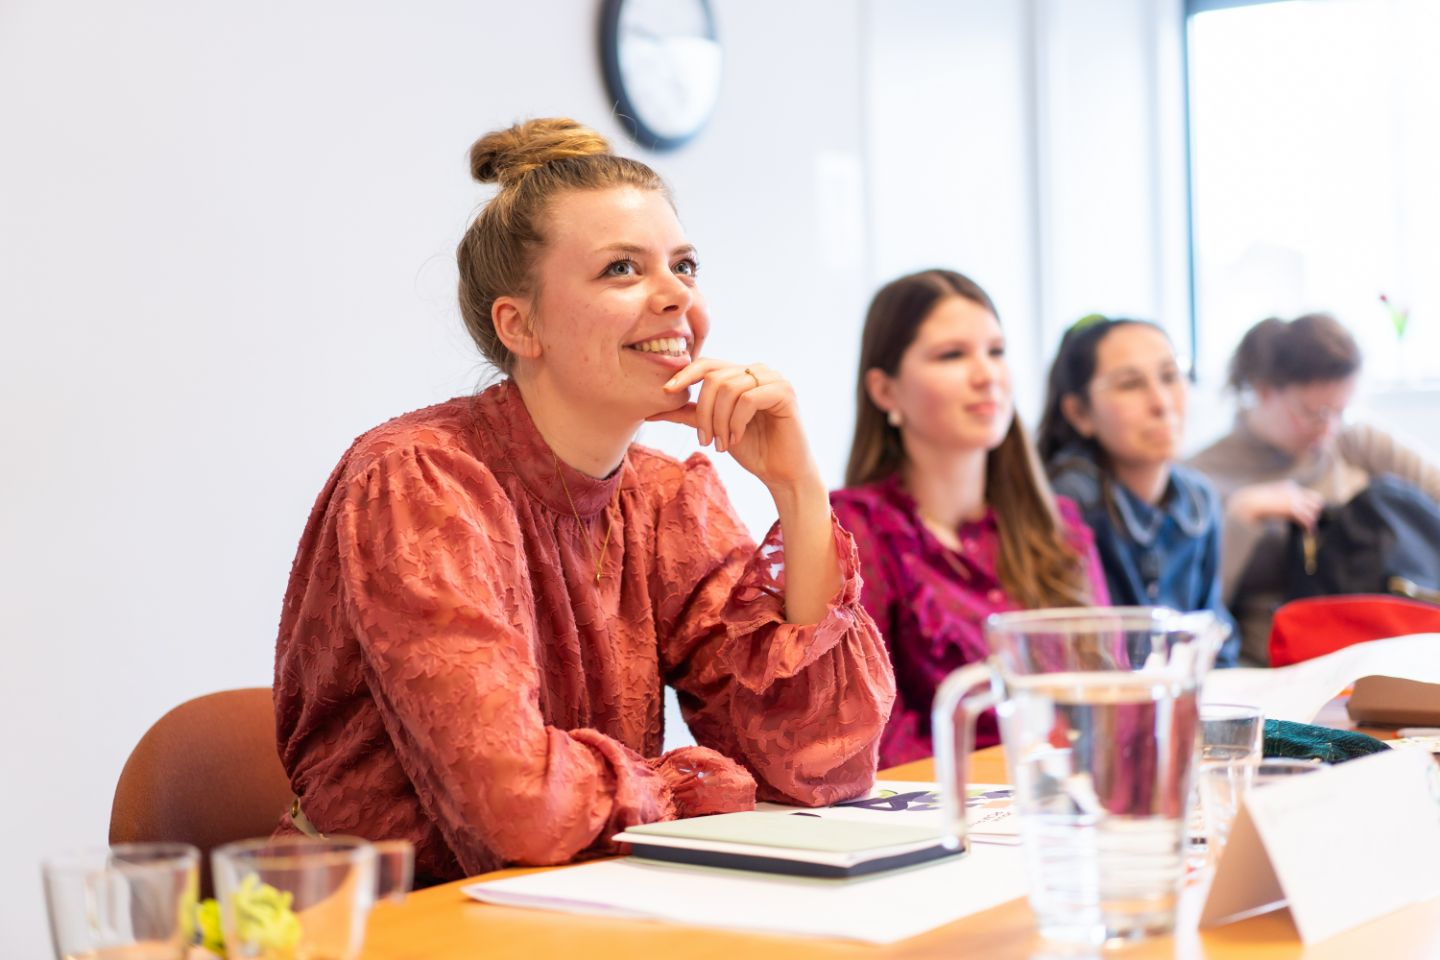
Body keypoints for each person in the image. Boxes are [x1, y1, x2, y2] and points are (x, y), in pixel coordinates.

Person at [272, 118, 896, 883]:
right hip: (384, 920)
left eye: (686, 265)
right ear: (520, 324)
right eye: (622, 270)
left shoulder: (666, 496)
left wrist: (798, 492)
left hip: (575, 903)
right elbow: (516, 808)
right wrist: (690, 784)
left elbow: (820, 763)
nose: (677, 297)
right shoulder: (419, 481)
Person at [830, 269, 1108, 768]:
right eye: (952, 355)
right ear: (885, 391)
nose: (987, 375)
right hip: (935, 814)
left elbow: (1107, 693)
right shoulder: (855, 529)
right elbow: (872, 738)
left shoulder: (1057, 525)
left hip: (1067, 808)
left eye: (996, 351)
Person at [1188, 313, 1440, 664]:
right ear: (1262, 390)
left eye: (1340, 411)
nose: (1329, 429)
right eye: (1314, 413)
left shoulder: (1356, 441)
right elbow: (1193, 615)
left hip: (1395, 646)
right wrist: (1241, 518)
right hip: (1281, 668)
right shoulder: (1201, 477)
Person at [1037, 316, 1239, 666]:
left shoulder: (1198, 498)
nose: (1162, 403)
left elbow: (1215, 635)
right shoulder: (1067, 503)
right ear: (1079, 413)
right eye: (1130, 384)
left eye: (1171, 376)